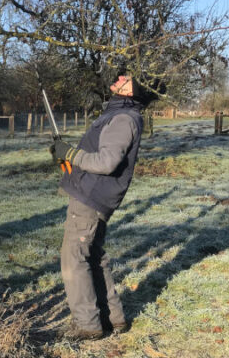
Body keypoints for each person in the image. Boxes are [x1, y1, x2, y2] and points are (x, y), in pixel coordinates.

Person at [50, 74, 162, 341]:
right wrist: (68, 156)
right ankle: (115, 319)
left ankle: (88, 325)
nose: (120, 76)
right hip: (93, 194)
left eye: (128, 78)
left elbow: (106, 162)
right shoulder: (120, 114)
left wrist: (70, 154)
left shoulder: (123, 118)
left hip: (91, 197)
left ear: (133, 91)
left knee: (74, 258)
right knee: (93, 256)